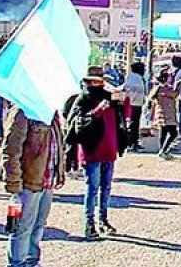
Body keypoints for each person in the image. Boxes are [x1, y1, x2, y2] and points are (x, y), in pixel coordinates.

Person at [66, 66, 128, 240]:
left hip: (109, 149)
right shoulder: (82, 99)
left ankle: (103, 219)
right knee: (92, 188)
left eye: (101, 79)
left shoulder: (109, 97)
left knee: (106, 188)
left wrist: (122, 103)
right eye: (95, 80)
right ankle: (89, 223)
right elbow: (76, 124)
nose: (100, 82)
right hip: (91, 150)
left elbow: (121, 119)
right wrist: (96, 112)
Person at [2, 101, 66, 267]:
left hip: (46, 181)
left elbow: (58, 146)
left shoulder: (51, 112)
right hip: (28, 182)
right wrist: (14, 182)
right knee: (20, 228)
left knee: (38, 226)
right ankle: (17, 263)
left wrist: (60, 172)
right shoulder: (22, 111)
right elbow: (11, 149)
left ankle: (31, 261)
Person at [149, 70, 178, 159]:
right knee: (173, 133)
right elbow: (175, 94)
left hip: (160, 113)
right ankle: (163, 150)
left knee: (164, 132)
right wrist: (178, 86)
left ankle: (162, 150)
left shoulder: (156, 88)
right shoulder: (165, 89)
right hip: (167, 114)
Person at [122, 61, 147, 152]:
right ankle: (131, 143)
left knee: (134, 125)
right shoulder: (135, 78)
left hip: (135, 103)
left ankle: (134, 143)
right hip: (133, 104)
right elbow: (130, 91)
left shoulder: (133, 77)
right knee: (133, 125)